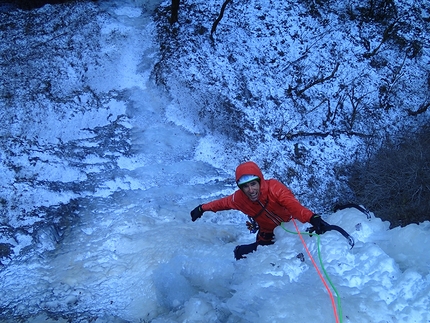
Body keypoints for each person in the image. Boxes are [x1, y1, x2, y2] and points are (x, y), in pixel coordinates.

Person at [190, 161, 328, 260]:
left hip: (291, 229)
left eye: (253, 184)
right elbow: (221, 203)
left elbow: (294, 206)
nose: (251, 190)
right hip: (267, 236)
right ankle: (240, 254)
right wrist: (202, 208)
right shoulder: (239, 199)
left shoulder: (274, 189)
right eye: (245, 187)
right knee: (260, 259)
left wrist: (312, 218)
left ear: (260, 181)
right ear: (241, 188)